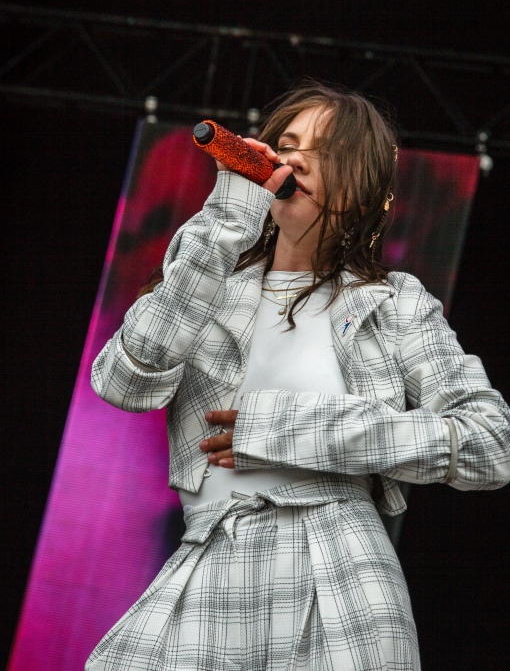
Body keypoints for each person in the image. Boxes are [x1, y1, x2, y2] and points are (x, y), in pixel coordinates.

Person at [85, 81, 510, 671]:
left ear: (362, 184)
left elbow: (490, 443)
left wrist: (298, 429)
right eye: (286, 143)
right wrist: (226, 221)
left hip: (341, 571)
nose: (296, 159)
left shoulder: (395, 305)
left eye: (325, 150)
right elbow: (125, 383)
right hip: (208, 560)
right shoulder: (206, 284)